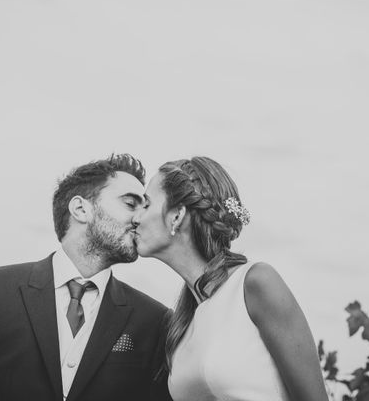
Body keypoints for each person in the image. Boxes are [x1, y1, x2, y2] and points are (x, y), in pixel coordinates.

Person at [0, 153, 172, 401]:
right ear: (80, 209)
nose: (140, 218)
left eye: (145, 207)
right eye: (130, 204)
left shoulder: (154, 320)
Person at [131, 156, 329, 401]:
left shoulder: (255, 284)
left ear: (177, 216)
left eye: (146, 205)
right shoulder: (183, 323)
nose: (135, 218)